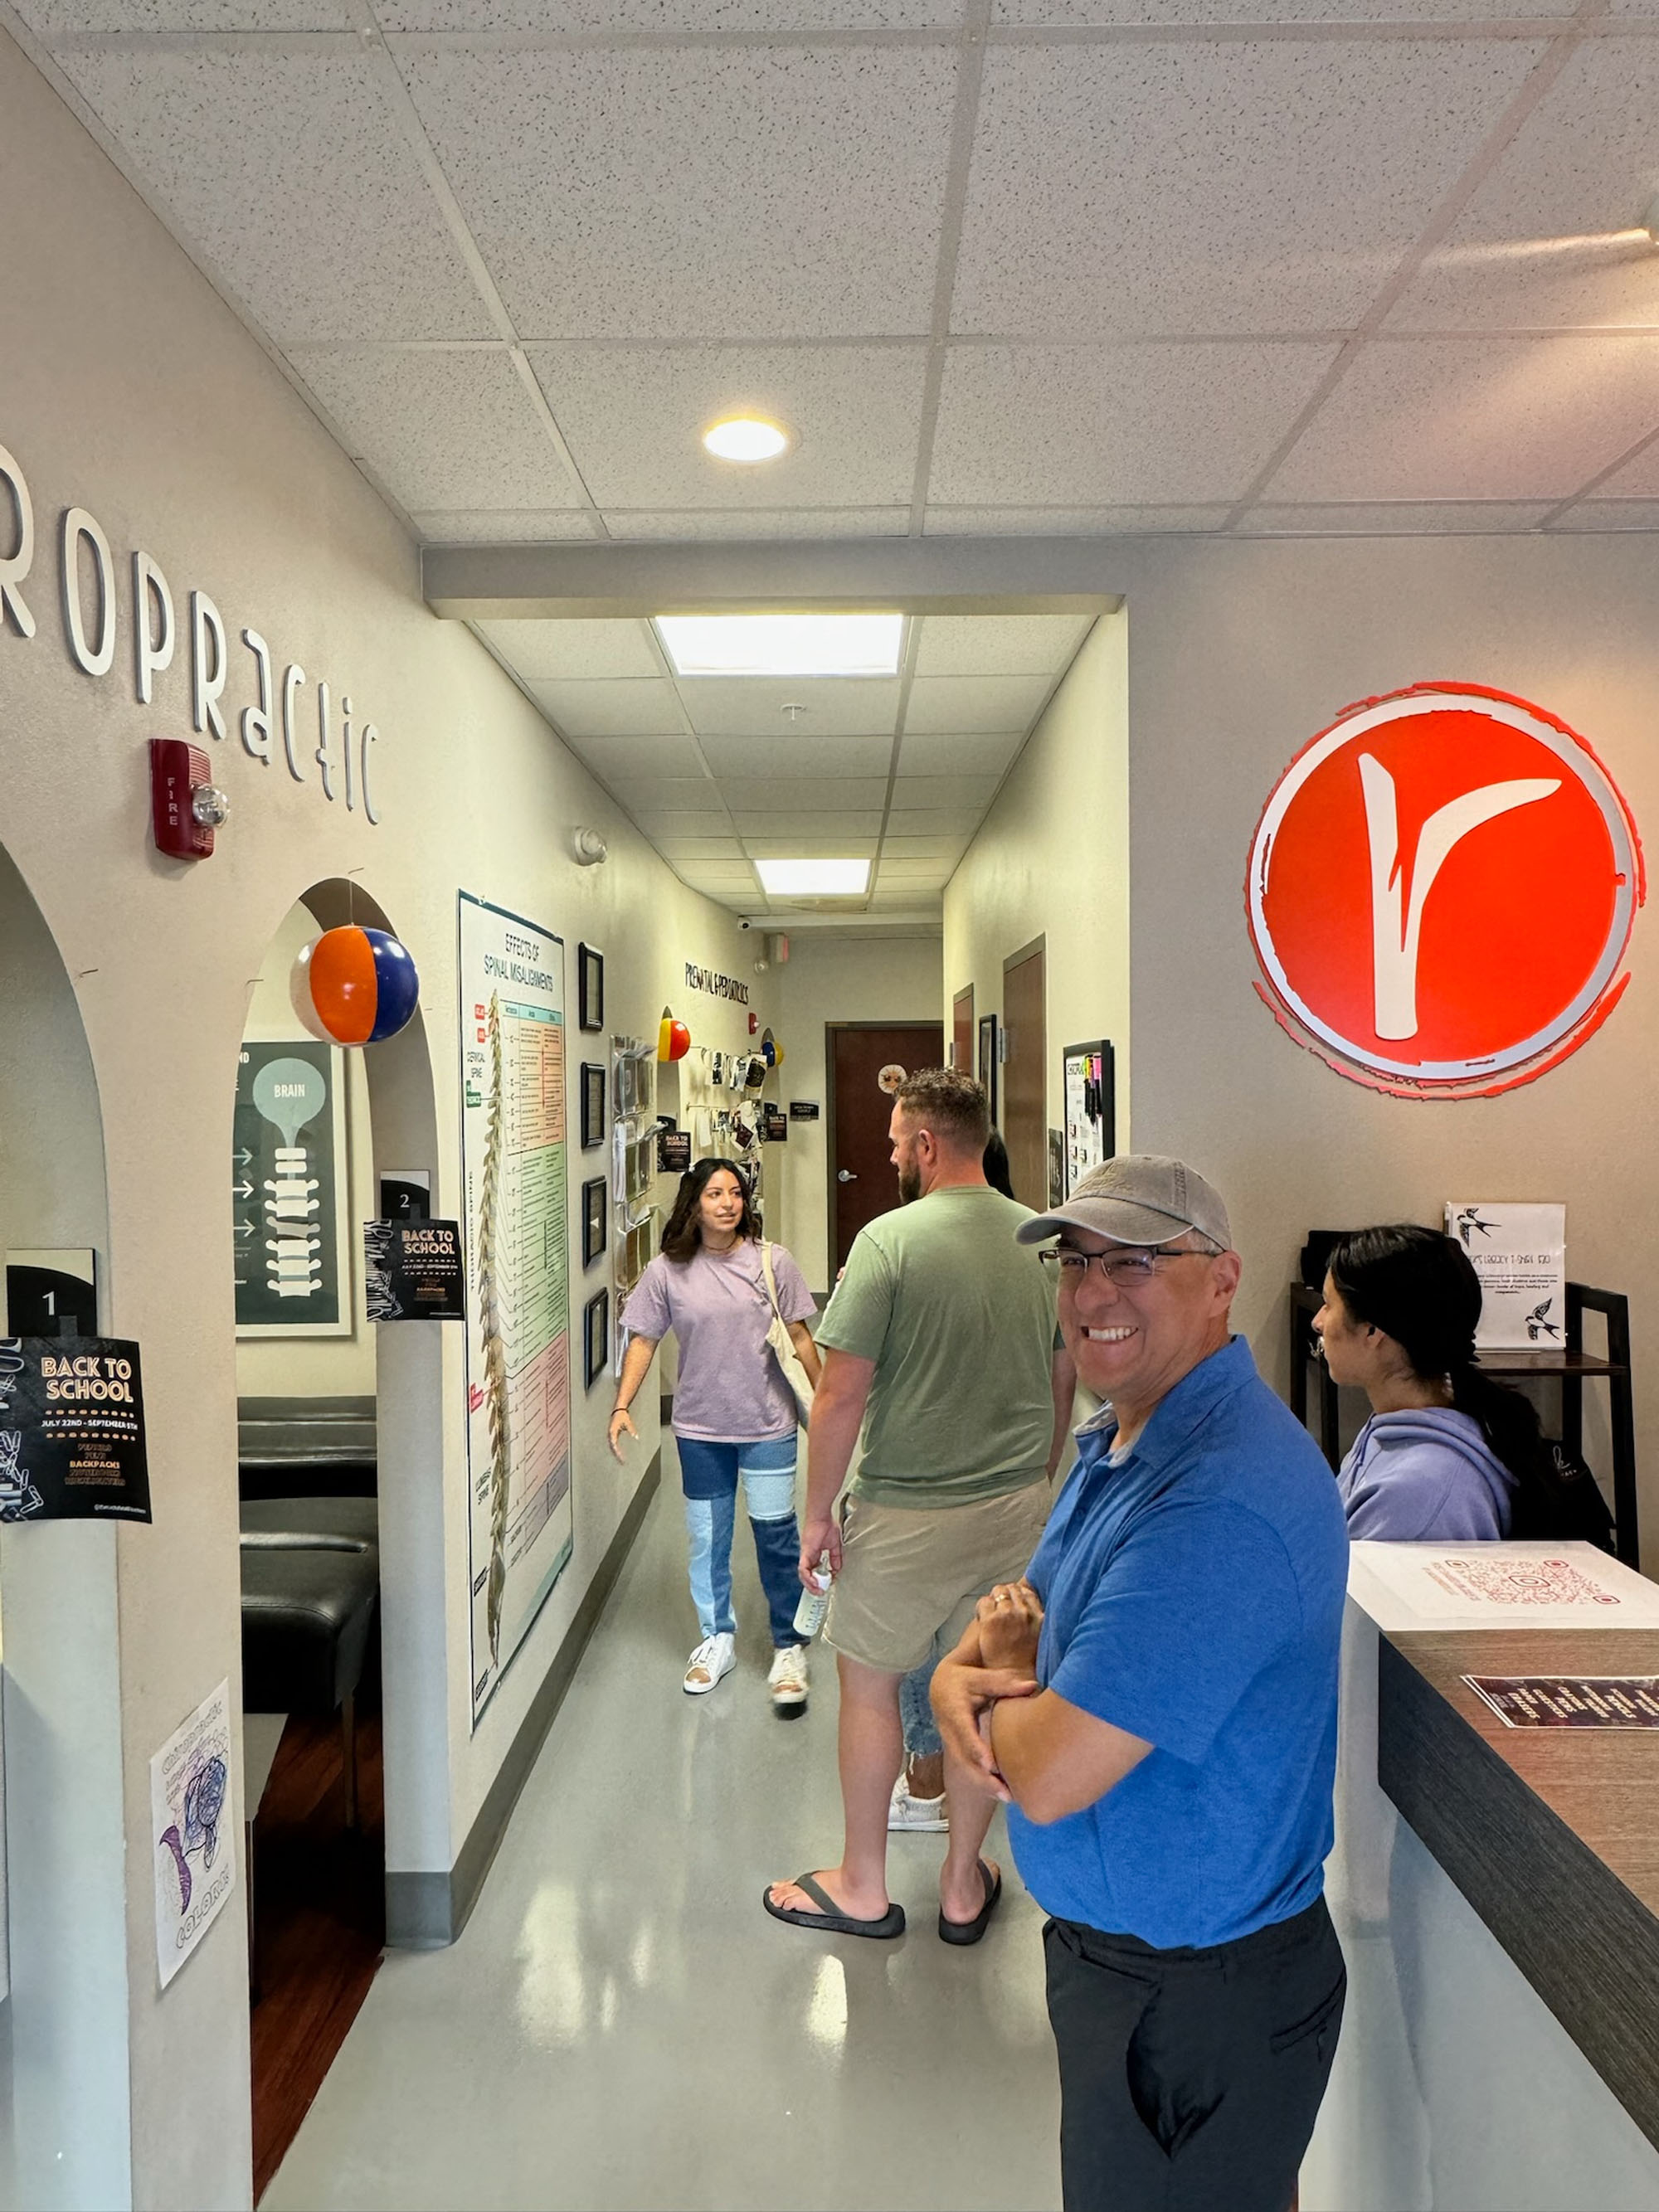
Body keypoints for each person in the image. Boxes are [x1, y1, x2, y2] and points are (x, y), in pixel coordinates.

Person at [932, 1155, 1350, 2212]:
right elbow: (1008, 1622)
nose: (1090, 1292)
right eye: (1074, 1262)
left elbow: (1046, 1773)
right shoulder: (1125, 1437)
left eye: (1132, 1262)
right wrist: (959, 1679)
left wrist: (990, 1680)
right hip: (1128, 1972)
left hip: (1197, 2000)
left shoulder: (1217, 1501)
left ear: (1222, 1280)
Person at [763, 1067, 1068, 1942]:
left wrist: (816, 1513)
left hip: (903, 1514)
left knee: (869, 1689)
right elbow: (1062, 1372)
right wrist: (1036, 1477)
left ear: (928, 1145)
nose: (892, 1155)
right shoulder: (1040, 1241)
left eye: (898, 1143)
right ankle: (963, 1883)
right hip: (1014, 1508)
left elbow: (840, 1395)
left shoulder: (886, 1241)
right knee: (980, 1692)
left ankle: (863, 1884)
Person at [889, 1121, 1073, 1835]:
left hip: (928, 1482)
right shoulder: (1037, 1257)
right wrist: (1044, 1464)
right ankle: (987, 1777)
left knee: (926, 1637)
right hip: (1013, 1482)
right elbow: (1061, 1375)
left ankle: (927, 1777)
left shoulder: (906, 1245)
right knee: (991, 1629)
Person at [611, 1159, 822, 1710]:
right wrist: (622, 1404)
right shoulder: (667, 1271)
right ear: (694, 1204)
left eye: (735, 1193)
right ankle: (717, 1636)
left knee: (776, 1537)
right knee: (708, 1539)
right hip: (701, 1429)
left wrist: (825, 1403)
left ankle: (788, 1645)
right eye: (714, 1194)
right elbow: (643, 1339)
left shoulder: (773, 1261)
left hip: (768, 1424)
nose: (727, 1203)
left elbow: (800, 1336)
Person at [1313, 1222, 1613, 1545]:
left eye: (1329, 1304)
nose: (1318, 1321)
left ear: (1373, 1331)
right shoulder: (1396, 1429)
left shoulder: (1417, 1496)